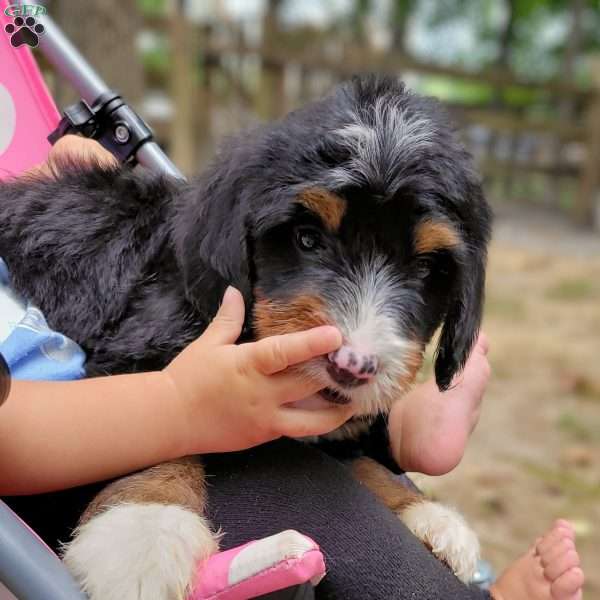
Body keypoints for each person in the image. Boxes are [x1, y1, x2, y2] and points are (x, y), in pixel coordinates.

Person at [0, 136, 584, 600]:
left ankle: (385, 434)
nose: (358, 331)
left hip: (99, 364)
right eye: (309, 236)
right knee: (306, 496)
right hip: (75, 444)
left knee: (297, 404)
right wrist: (178, 417)